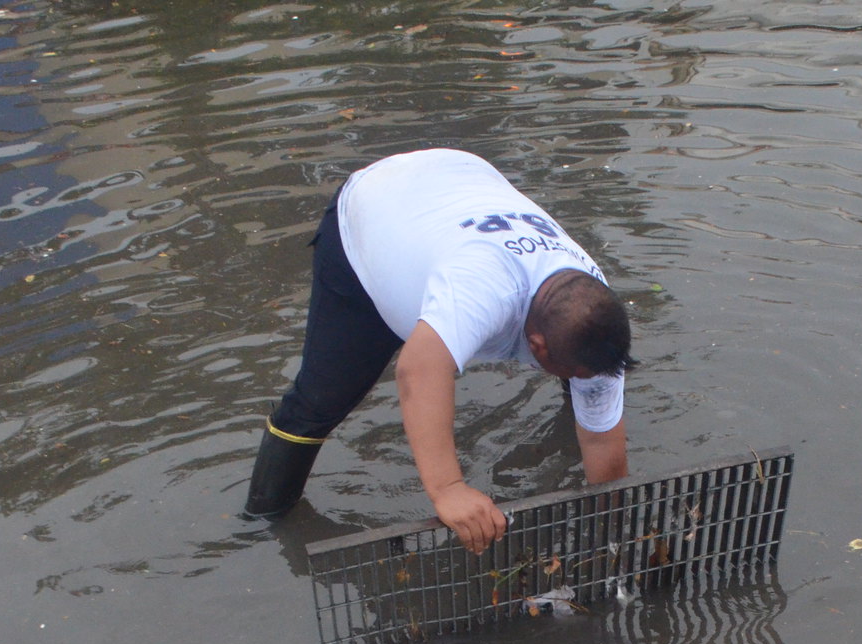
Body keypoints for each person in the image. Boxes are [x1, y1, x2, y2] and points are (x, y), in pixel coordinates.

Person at [243, 148, 634, 552]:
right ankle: (259, 524)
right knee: (321, 398)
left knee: (588, 374)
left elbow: (604, 443)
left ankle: (577, 402)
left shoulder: (590, 301)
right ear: (534, 345)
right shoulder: (484, 289)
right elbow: (419, 369)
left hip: (458, 180)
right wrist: (449, 489)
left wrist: (611, 536)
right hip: (375, 209)